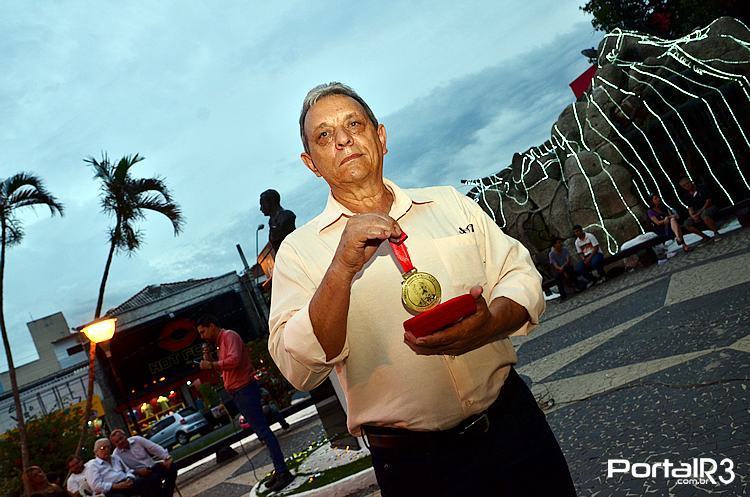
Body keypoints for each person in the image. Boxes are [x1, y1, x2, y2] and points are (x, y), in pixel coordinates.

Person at [267, 82, 575, 497]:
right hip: (417, 467)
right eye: (324, 135)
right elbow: (298, 368)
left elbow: (518, 276)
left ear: (381, 136)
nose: (342, 139)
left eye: (354, 124)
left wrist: (489, 326)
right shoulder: (299, 252)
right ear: (311, 163)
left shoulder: (449, 203)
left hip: (513, 427)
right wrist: (340, 269)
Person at [197, 315, 294, 492]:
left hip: (245, 389)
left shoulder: (229, 336)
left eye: (203, 331)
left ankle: (283, 472)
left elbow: (234, 361)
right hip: (238, 391)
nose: (202, 336)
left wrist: (212, 364)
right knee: (261, 431)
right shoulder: (220, 343)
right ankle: (279, 469)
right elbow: (224, 367)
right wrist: (210, 358)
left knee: (264, 431)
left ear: (211, 325)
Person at [110, 429, 176, 497]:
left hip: (153, 466)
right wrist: (137, 472)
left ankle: (166, 494)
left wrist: (167, 457)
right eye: (117, 442)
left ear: (125, 436)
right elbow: (123, 472)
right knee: (153, 480)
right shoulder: (116, 455)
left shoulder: (137, 440)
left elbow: (154, 448)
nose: (120, 442)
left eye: (121, 438)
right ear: (114, 444)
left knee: (172, 466)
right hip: (140, 476)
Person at [84, 438, 160, 497]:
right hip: (111, 490)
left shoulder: (115, 458)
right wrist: (116, 486)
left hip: (125, 482)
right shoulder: (92, 465)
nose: (106, 450)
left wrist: (129, 478)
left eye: (108, 447)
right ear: (96, 452)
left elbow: (127, 470)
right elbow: (96, 486)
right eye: (103, 448)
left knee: (145, 482)